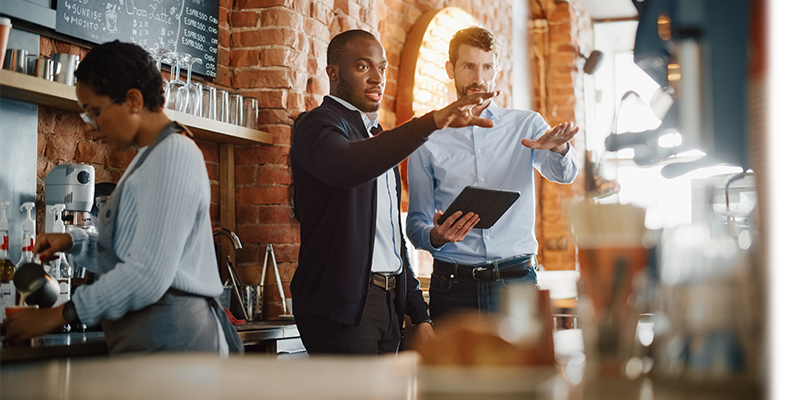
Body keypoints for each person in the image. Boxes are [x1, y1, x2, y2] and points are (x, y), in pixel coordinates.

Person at [2, 41, 243, 355]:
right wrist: (74, 242)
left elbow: (146, 276)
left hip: (175, 345)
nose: (91, 128)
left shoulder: (174, 155)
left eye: (95, 112)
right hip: (151, 343)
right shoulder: (148, 158)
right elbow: (133, 250)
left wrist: (58, 315)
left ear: (133, 100)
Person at [290, 29, 500, 355]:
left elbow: (391, 239)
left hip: (387, 306)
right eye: (362, 67)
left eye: (382, 68)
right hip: (341, 312)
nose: (377, 78)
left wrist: (419, 314)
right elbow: (348, 167)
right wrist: (430, 122)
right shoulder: (316, 125)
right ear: (332, 72)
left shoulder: (376, 137)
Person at [406, 26, 580, 320]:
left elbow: (565, 175)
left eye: (487, 67)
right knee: (453, 368)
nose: (479, 78)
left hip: (516, 283)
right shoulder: (428, 135)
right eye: (469, 67)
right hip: (453, 287)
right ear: (450, 69)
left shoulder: (526, 125)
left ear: (496, 69)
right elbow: (415, 224)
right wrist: (435, 236)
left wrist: (559, 150)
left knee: (523, 368)